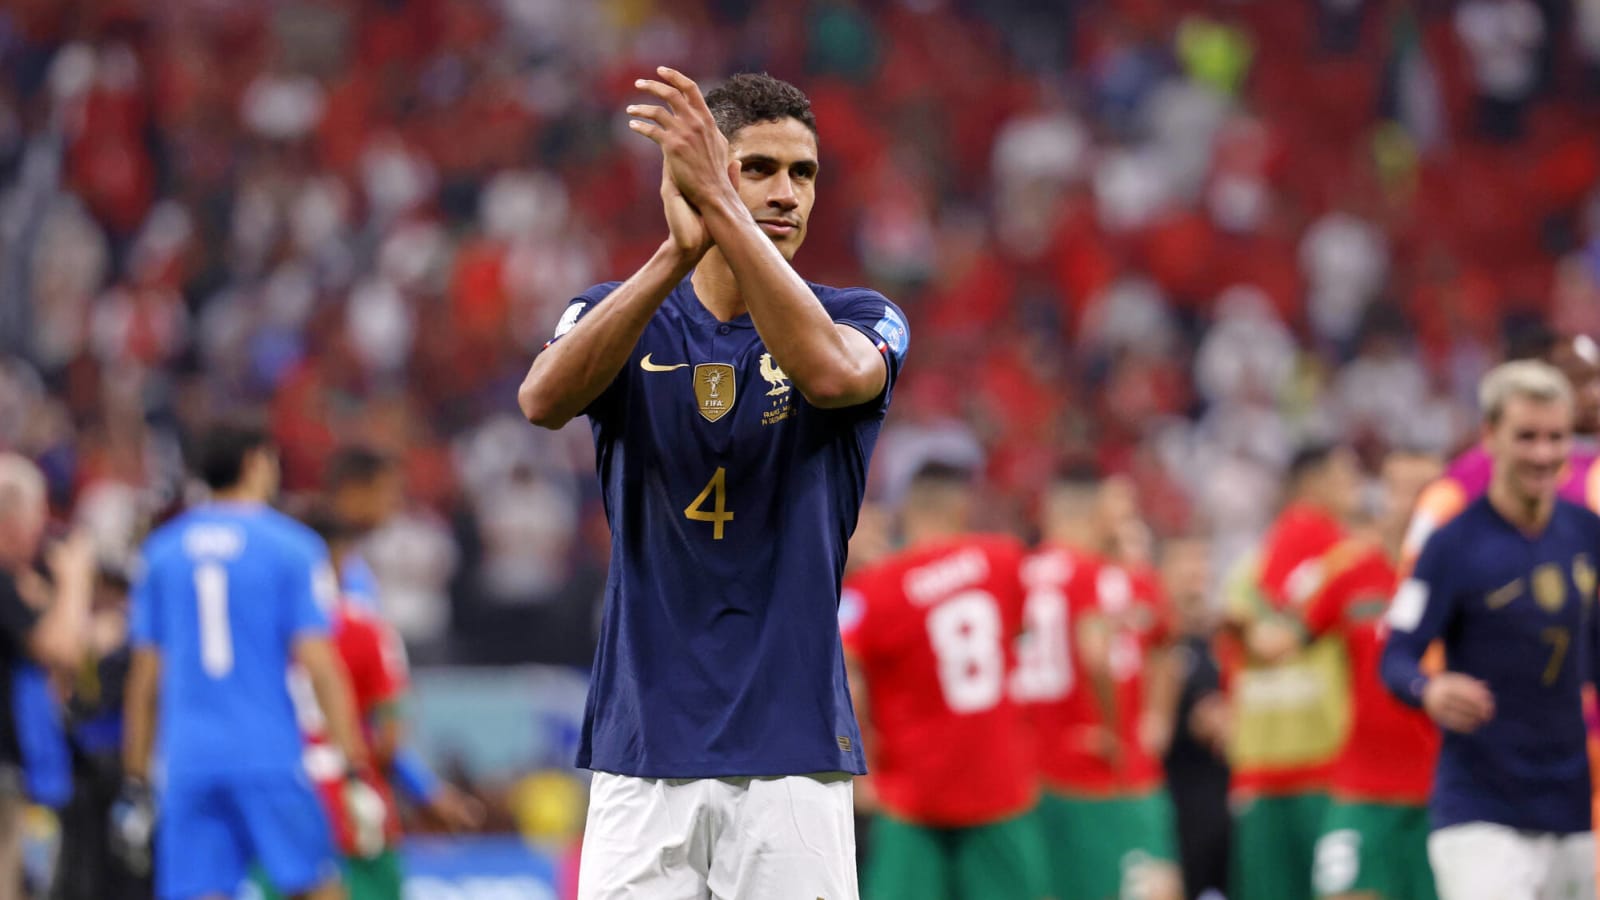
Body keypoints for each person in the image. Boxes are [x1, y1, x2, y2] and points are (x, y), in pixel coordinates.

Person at [517, 68, 907, 899]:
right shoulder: (616, 310)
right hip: (643, 751)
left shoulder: (862, 317)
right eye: (756, 168)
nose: (787, 193)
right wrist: (676, 253)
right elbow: (542, 399)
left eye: (802, 174)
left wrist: (722, 216)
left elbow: (835, 380)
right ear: (703, 174)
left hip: (792, 753)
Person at [120, 421, 369, 900]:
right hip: (267, 752)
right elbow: (319, 664)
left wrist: (135, 777)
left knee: (200, 891)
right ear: (257, 461)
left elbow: (145, 678)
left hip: (189, 758)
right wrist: (353, 764)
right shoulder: (294, 548)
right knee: (316, 886)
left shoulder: (161, 552)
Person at [1382, 360, 1598, 900]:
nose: (1544, 454)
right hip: (1480, 812)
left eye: (1556, 438)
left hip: (1572, 808)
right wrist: (1427, 688)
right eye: (1526, 437)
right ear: (1490, 437)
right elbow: (1396, 653)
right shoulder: (1451, 545)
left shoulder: (1588, 535)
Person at [839, 462, 1047, 900]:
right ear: (961, 508)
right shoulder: (1004, 559)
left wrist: (860, 777)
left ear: (907, 512)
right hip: (1000, 786)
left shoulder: (875, 588)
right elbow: (1022, 638)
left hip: (913, 796)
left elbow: (847, 679)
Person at [1284, 449, 1443, 900]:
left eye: (1425, 490)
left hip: (1442, 792)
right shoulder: (1350, 572)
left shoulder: (1462, 572)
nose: (1412, 502)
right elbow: (1283, 639)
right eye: (1400, 488)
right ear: (1381, 495)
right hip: (1362, 788)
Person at [1018, 469, 1184, 900]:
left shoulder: (1018, 572)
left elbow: (1163, 647)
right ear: (1093, 512)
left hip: (1036, 773)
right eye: (1119, 504)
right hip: (1109, 772)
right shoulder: (1100, 575)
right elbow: (1097, 654)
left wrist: (1158, 713)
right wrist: (1119, 728)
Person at [1220, 442, 1363, 900]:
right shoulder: (1352, 564)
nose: (1357, 489)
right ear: (1313, 483)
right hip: (1332, 765)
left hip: (1261, 767)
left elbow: (1233, 658)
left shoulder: (1246, 568)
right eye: (1347, 477)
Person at [322, 446, 483, 834]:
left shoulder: (351, 569)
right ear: (352, 491)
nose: (394, 507)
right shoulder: (339, 577)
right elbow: (377, 715)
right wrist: (423, 790)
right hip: (330, 780)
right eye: (387, 493)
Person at [256, 507, 408, 900]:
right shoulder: (365, 628)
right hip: (351, 797)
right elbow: (390, 735)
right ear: (339, 560)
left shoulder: (259, 633)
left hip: (279, 798)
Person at [0, 455, 93, 900]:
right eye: (36, 517)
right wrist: (75, 581)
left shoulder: (19, 582)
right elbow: (60, 648)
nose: (42, 531)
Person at [1159, 534, 1231, 900]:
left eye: (1202, 562)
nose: (1196, 572)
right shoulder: (1155, 645)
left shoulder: (1225, 641)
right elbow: (1151, 733)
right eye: (1185, 563)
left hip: (1225, 804)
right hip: (1173, 806)